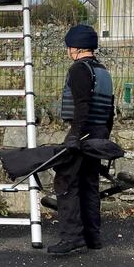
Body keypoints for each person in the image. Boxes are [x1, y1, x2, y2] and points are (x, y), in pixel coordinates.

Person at [48, 25, 115, 255]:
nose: (68, 50)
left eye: (69, 46)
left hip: (83, 133)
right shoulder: (103, 71)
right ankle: (92, 237)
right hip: (99, 134)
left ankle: (72, 238)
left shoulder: (79, 69)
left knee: (66, 183)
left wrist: (75, 136)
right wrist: (104, 137)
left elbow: (82, 105)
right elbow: (109, 111)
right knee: (89, 185)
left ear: (75, 47)